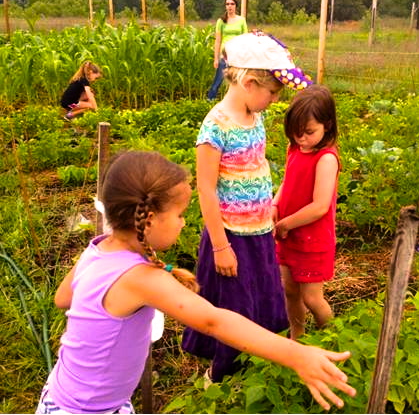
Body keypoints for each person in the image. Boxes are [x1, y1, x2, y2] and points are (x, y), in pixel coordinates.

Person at [35, 150, 355, 414]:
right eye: (179, 215)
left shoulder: (98, 250)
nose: (185, 222)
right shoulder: (140, 278)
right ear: (148, 220)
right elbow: (213, 321)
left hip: (62, 394)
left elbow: (63, 298)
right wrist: (295, 354)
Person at [182, 32, 313, 384]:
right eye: (273, 93)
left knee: (263, 302)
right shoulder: (216, 126)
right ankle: (219, 378)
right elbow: (207, 191)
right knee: (235, 311)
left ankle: (252, 372)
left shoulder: (256, 119)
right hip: (231, 239)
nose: (274, 100)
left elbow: (257, 167)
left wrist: (268, 205)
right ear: (250, 82)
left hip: (258, 233)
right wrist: (221, 246)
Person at [273, 85, 340, 340]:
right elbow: (287, 183)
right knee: (289, 289)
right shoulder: (295, 149)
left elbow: (320, 206)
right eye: (296, 132)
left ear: (327, 124)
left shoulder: (326, 158)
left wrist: (287, 223)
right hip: (288, 235)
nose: (302, 138)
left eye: (309, 132)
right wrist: (274, 205)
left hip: (312, 240)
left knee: (312, 298)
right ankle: (297, 335)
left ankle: (332, 337)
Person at [207, 0, 247, 101]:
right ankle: (209, 100)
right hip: (225, 55)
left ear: (236, 6)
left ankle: (236, 103)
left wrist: (245, 56)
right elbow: (218, 41)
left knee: (237, 81)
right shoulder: (221, 21)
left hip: (237, 56)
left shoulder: (241, 20)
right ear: (225, 6)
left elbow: (245, 39)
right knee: (218, 80)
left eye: (232, 4)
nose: (230, 6)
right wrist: (216, 58)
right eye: (227, 4)